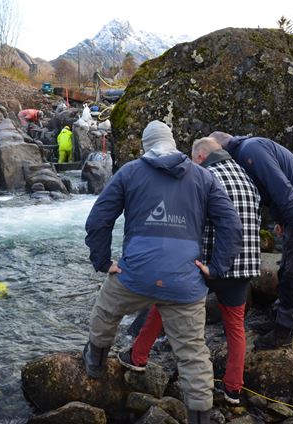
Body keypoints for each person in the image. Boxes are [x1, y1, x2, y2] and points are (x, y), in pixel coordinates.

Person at [84, 121, 242, 424]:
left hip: (136, 274)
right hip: (184, 280)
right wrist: (217, 267)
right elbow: (231, 226)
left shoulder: (130, 172)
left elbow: (98, 219)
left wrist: (103, 261)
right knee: (193, 352)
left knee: (106, 312)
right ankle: (200, 417)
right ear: (173, 142)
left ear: (146, 146)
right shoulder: (204, 177)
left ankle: (94, 365)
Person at [118, 137, 261, 405]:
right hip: (245, 266)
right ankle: (233, 390)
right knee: (235, 329)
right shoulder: (246, 176)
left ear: (199, 157)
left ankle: (137, 357)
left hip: (206, 262)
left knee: (164, 305)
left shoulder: (204, 177)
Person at [208, 131, 293, 351]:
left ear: (221, 149)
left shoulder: (250, 150)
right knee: (285, 271)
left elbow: (281, 187)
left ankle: (283, 333)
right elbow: (273, 189)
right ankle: (277, 319)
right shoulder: (247, 150)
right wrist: (282, 221)